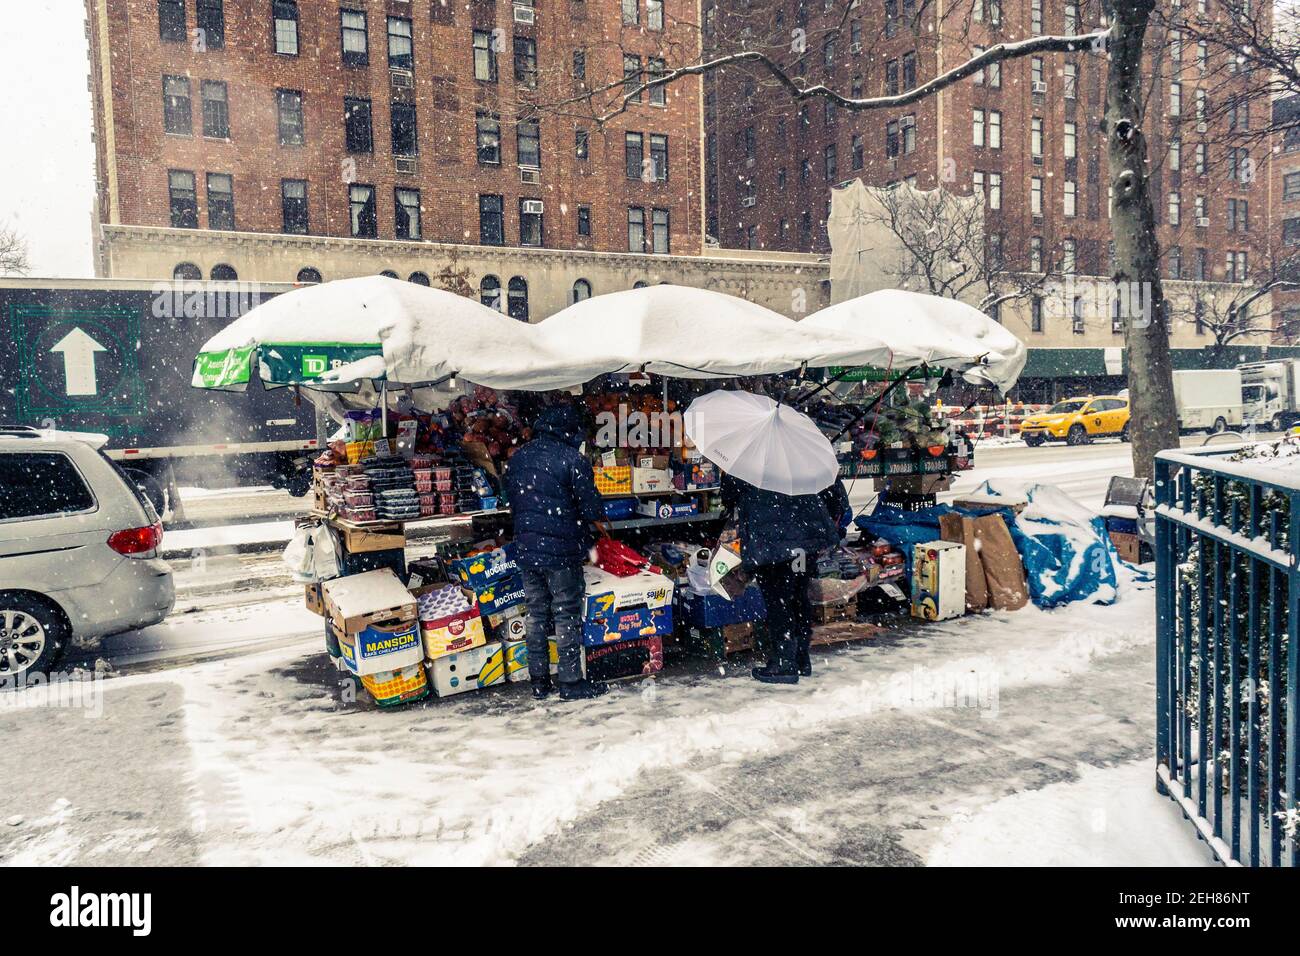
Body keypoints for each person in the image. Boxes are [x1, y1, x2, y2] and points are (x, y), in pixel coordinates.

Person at [504, 404, 610, 702]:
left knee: (536, 614)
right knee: (566, 613)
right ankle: (570, 682)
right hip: (561, 550)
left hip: (527, 549)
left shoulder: (519, 458)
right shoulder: (573, 460)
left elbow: (510, 498)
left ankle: (538, 682)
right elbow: (591, 507)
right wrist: (599, 523)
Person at [721, 473, 841, 684]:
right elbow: (835, 497)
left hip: (771, 544)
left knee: (779, 601)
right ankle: (801, 657)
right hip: (803, 544)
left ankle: (785, 662)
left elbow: (730, 495)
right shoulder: (803, 451)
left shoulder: (751, 457)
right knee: (797, 595)